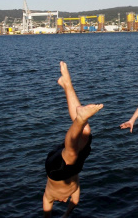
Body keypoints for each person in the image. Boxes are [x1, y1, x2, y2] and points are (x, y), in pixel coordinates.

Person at [43, 61, 103, 218]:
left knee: (71, 154)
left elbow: (46, 215)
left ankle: (80, 118)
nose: (63, 201)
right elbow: (74, 203)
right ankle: (67, 84)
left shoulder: (49, 198)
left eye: (61, 202)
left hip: (55, 168)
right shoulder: (74, 191)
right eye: (66, 201)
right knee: (86, 133)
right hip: (73, 163)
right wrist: (65, 215)